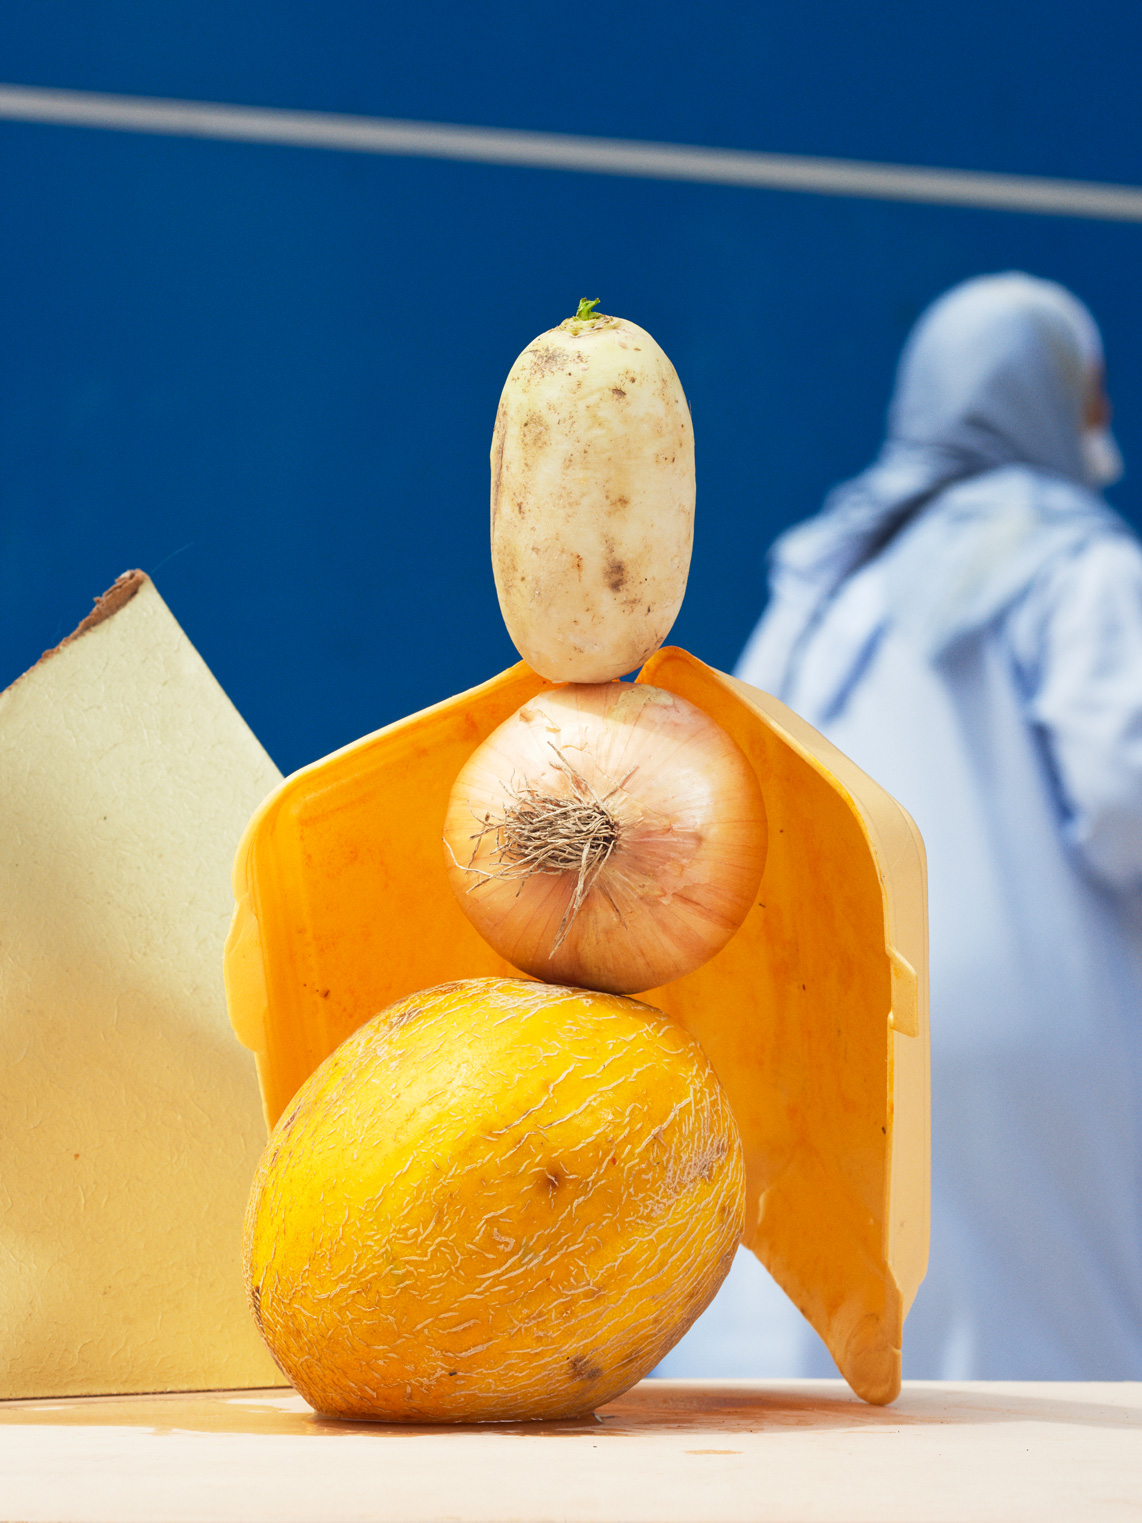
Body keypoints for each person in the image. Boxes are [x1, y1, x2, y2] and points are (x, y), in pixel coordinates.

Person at [660, 272, 1142, 1381]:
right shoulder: (1085, 571)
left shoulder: (823, 578)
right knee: (1044, 1393)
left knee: (852, 1371)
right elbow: (1123, 800)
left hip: (827, 1019)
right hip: (1024, 1033)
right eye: (1090, 395)